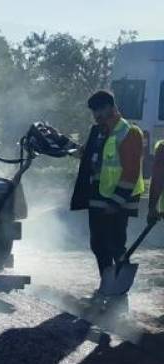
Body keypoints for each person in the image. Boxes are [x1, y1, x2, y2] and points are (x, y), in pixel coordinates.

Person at [71, 90, 144, 296]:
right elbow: (88, 157)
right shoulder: (99, 132)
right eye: (94, 111)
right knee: (98, 243)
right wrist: (65, 147)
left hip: (119, 199)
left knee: (116, 243)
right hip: (99, 197)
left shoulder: (129, 133)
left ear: (112, 107)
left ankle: (119, 290)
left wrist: (116, 201)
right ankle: (107, 283)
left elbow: (131, 171)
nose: (96, 114)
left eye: (100, 109)